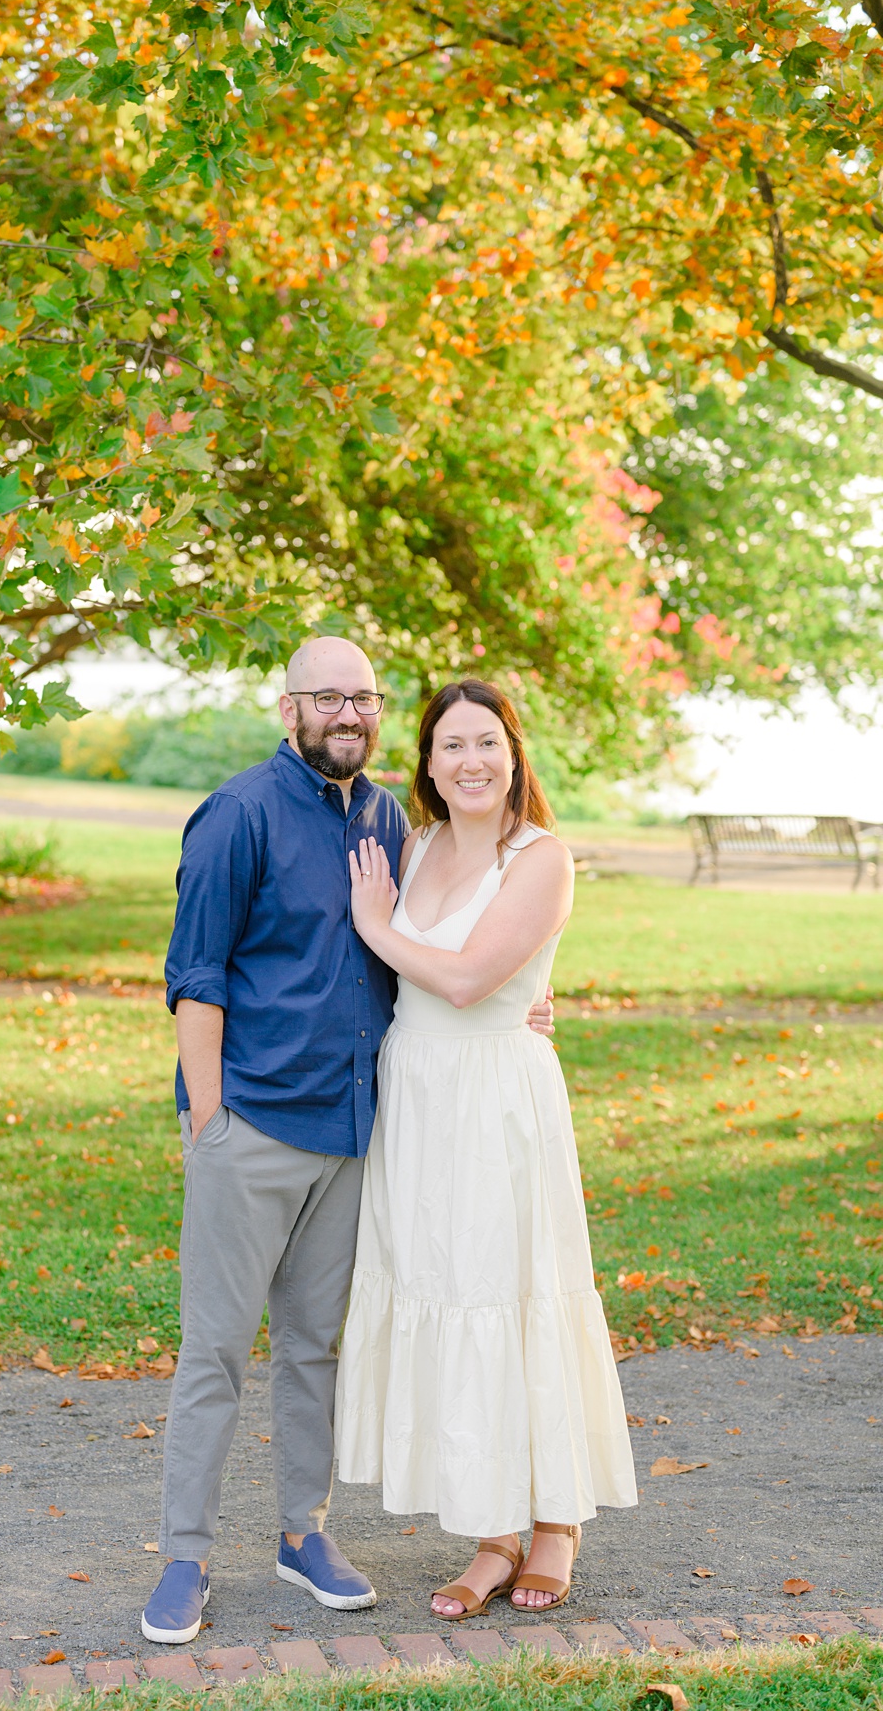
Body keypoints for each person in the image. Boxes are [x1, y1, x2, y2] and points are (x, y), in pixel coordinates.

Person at [144, 636, 555, 1645]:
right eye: (326, 696)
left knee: (316, 1350)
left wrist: (535, 993)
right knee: (215, 1352)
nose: (346, 713)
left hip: (356, 1135)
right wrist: (209, 1120)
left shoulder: (387, 822)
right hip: (251, 1125)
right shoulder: (238, 814)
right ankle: (185, 1555)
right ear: (288, 707)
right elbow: (195, 975)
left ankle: (303, 1535)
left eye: (363, 697)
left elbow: (458, 939)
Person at [335, 679, 635, 1618]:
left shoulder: (541, 858)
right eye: (451, 745)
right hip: (417, 1104)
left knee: (513, 1296)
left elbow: (467, 980)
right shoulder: (413, 847)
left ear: (514, 756)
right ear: (426, 763)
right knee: (450, 1294)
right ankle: (493, 1533)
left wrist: (378, 930)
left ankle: (555, 1527)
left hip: (498, 1104)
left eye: (487, 744)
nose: (471, 761)